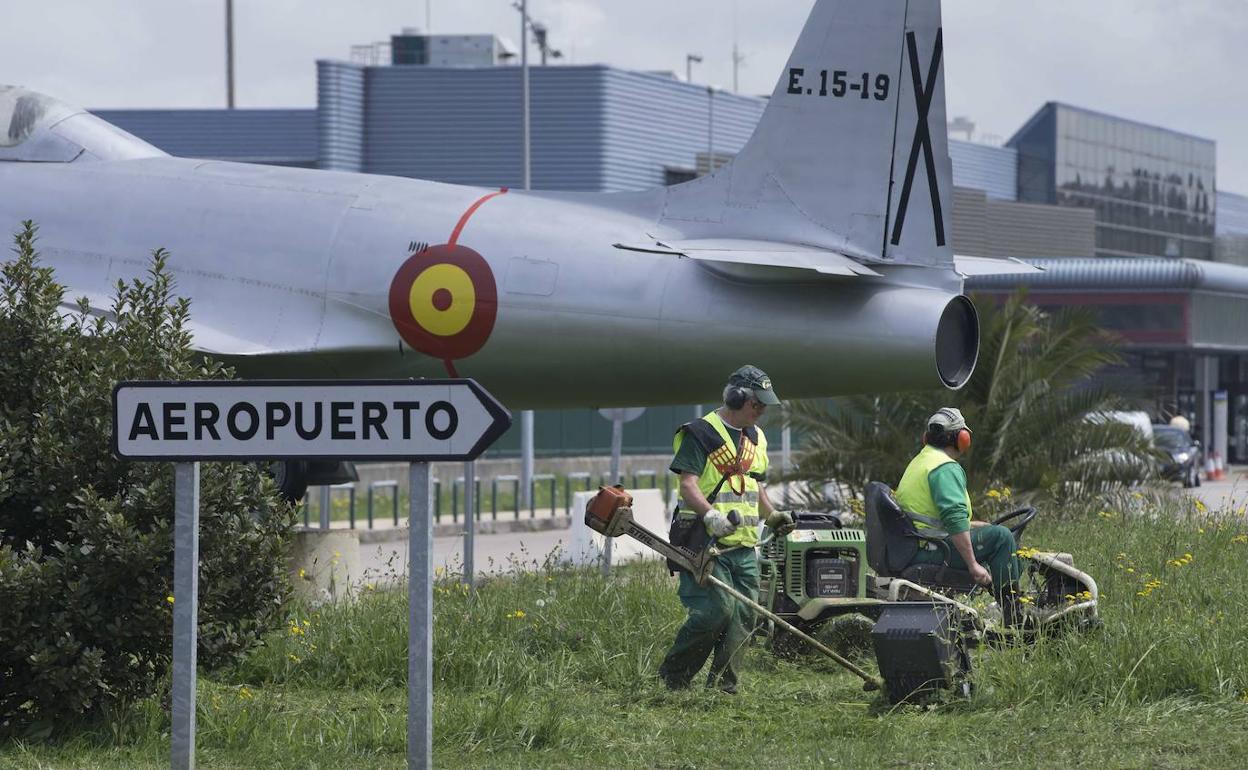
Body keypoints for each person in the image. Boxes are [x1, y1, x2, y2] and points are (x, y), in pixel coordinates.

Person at [657, 365, 796, 693]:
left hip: (744, 546)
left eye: (764, 405)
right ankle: (673, 678)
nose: (760, 410)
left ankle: (722, 690)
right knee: (714, 612)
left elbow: (754, 485)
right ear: (736, 397)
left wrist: (773, 515)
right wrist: (709, 516)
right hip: (704, 542)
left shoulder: (756, 438)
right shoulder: (700, 433)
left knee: (744, 616)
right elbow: (688, 485)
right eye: (756, 403)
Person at [894, 407, 1026, 626]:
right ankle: (1016, 619)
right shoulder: (945, 467)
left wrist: (972, 525)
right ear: (961, 439)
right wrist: (973, 565)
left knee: (991, 532)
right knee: (1002, 537)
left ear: (926, 438)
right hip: (934, 549)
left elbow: (929, 515)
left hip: (917, 542)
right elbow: (954, 519)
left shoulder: (920, 461)